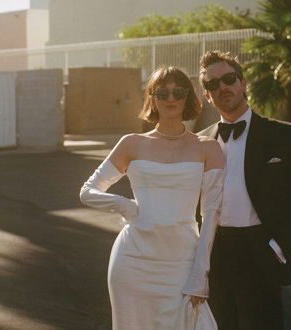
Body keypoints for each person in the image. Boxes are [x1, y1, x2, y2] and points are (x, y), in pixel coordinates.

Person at [80, 66, 224, 330]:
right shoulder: (131, 143)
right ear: (152, 98)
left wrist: (200, 273)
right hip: (133, 261)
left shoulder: (208, 148)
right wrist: (123, 205)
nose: (171, 98)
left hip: (182, 262)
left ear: (188, 98)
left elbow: (211, 213)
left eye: (178, 92)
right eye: (162, 92)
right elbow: (88, 191)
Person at [197, 50, 291, 330]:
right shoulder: (200, 142)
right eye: (213, 85)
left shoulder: (283, 135)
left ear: (243, 83)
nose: (222, 88)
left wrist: (279, 248)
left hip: (260, 252)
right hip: (214, 256)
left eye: (228, 79)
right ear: (207, 96)